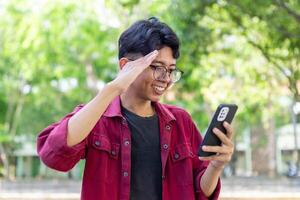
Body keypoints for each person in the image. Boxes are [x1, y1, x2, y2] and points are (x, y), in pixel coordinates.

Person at [37, 17, 234, 200]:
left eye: (171, 70)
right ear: (125, 66)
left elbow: (202, 192)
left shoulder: (180, 121)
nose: (165, 79)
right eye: (157, 67)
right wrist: (113, 88)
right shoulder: (96, 117)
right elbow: (52, 154)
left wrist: (216, 166)